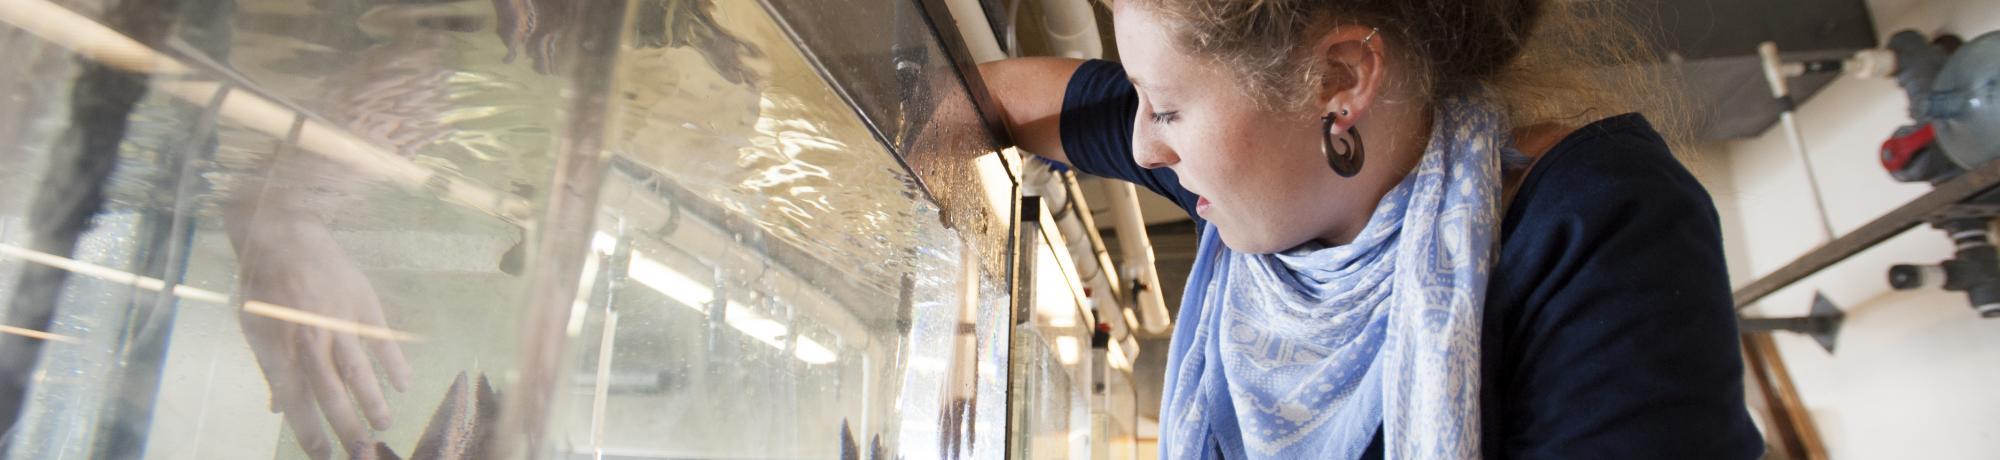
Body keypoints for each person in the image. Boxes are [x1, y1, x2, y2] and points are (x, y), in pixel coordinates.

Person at [980, 0, 1765, 458]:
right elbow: (1008, 98)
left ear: (1339, 80)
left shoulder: (1595, 229)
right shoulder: (1276, 192)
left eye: (1173, 107)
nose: (1146, 144)